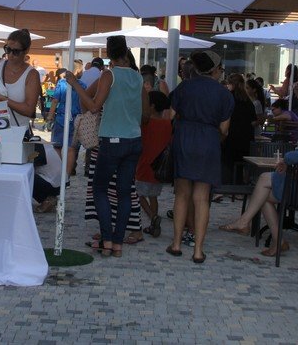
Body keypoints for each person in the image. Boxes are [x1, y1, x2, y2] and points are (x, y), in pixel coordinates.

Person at [66, 35, 150, 258]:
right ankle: (118, 243)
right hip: (134, 140)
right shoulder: (137, 77)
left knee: (99, 189)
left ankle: (108, 239)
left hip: (112, 140)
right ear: (126, 51)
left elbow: (94, 106)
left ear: (108, 53)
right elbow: (146, 114)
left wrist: (75, 84)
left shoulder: (109, 75)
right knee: (124, 192)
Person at [220, 116, 298, 257]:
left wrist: (291, 159)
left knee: (264, 182)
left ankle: (248, 224)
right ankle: (274, 239)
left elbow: (291, 157)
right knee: (264, 193)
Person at [166, 51, 232, 264]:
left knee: (181, 195)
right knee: (202, 198)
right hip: (209, 141)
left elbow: (170, 116)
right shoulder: (223, 93)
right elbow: (224, 129)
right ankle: (198, 250)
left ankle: (176, 244)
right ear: (215, 70)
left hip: (184, 139)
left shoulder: (185, 87)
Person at [135, 91, 172, 238]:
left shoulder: (145, 123)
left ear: (152, 106)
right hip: (160, 167)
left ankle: (153, 217)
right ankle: (153, 224)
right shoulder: (168, 124)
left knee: (138, 194)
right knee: (153, 196)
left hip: (144, 165)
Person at [0, 29, 41, 128]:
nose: (10, 55)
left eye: (16, 51)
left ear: (26, 51)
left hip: (18, 131)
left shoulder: (32, 75)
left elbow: (29, 110)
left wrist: (3, 99)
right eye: (8, 49)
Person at [221, 73, 257, 186]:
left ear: (230, 84)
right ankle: (238, 186)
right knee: (240, 166)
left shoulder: (227, 98)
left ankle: (227, 186)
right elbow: (253, 120)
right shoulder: (248, 101)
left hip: (230, 137)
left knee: (227, 164)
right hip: (245, 138)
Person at [47, 67, 83, 175]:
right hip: (76, 118)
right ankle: (67, 175)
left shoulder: (62, 83)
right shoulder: (82, 85)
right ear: (77, 71)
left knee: (57, 146)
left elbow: (55, 100)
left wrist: (50, 117)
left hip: (61, 118)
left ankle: (58, 173)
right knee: (71, 148)